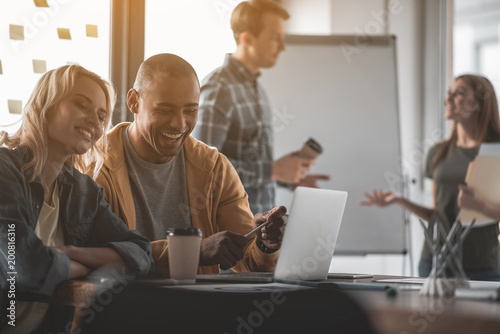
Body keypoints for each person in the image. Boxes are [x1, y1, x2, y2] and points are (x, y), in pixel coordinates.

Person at [94, 53, 287, 277]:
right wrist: (190, 251)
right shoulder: (96, 166)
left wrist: (265, 243)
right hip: (124, 306)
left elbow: (250, 263)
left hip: (198, 308)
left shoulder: (215, 168)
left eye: (191, 111)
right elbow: (97, 255)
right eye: (165, 110)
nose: (179, 123)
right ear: (133, 101)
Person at [0, 65, 153, 333]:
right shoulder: (4, 171)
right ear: (46, 105)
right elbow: (22, 265)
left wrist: (70, 253)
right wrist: (84, 266)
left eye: (102, 115)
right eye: (82, 105)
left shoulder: (84, 191)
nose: (95, 121)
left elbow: (140, 253)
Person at [193, 0, 329, 214]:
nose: (283, 47)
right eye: (275, 38)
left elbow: (251, 167)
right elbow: (203, 171)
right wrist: (271, 171)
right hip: (231, 233)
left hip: (260, 229)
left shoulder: (257, 90)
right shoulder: (219, 90)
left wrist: (289, 178)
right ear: (247, 38)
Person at [361, 74, 500, 280]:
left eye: (459, 93)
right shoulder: (438, 152)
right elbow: (437, 214)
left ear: (478, 104)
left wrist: (481, 206)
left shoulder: (495, 151)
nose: (448, 99)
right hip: (434, 261)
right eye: (449, 93)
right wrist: (399, 200)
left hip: (481, 264)